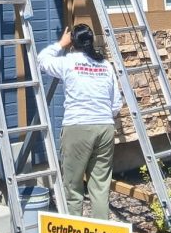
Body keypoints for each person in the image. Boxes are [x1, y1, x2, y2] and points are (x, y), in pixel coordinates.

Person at [38, 24, 123, 219]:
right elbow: (116, 103)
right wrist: (100, 114)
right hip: (105, 127)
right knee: (100, 187)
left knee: (73, 187)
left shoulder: (68, 62)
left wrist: (61, 43)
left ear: (73, 42)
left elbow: (42, 60)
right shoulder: (105, 65)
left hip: (78, 128)